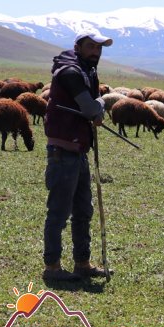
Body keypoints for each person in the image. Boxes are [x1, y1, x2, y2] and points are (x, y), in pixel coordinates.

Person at [41, 30, 113, 281]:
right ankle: (52, 268)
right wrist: (101, 103)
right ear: (78, 47)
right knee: (59, 212)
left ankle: (82, 263)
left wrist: (95, 108)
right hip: (63, 152)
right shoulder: (71, 72)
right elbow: (92, 107)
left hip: (79, 150)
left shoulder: (87, 70)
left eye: (99, 48)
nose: (96, 52)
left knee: (83, 211)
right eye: (91, 46)